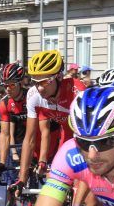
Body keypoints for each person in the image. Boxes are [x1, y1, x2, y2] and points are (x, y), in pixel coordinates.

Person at [19, 49, 87, 186]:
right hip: (66, 137)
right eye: (35, 82)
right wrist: (21, 179)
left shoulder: (76, 91)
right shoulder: (33, 95)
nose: (39, 88)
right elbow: (29, 139)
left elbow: (86, 135)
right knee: (55, 181)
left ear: (59, 77)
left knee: (85, 197)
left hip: (84, 137)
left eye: (44, 82)